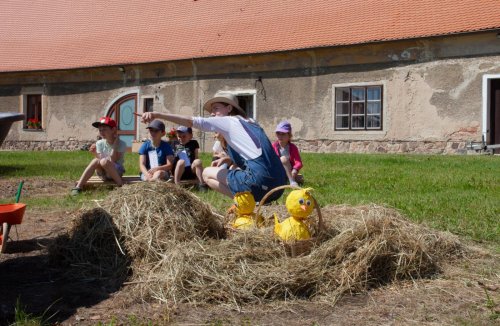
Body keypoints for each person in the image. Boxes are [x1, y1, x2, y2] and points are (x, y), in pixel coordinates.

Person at [140, 91, 287, 202]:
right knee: (223, 171)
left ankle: (245, 205)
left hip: (261, 182)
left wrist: (157, 114)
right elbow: (254, 153)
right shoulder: (250, 121)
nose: (212, 113)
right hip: (279, 183)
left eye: (216, 108)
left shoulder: (228, 121)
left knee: (207, 174)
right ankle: (249, 203)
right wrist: (228, 159)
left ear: (229, 108)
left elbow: (192, 122)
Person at [71, 117, 126, 195]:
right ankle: (78, 186)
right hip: (103, 174)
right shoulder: (99, 143)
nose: (101, 132)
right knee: (96, 160)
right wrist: (95, 154)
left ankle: (121, 185)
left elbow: (113, 160)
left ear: (113, 130)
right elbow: (100, 159)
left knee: (103, 161)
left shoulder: (121, 143)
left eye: (104, 129)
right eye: (100, 130)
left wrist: (115, 145)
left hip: (116, 173)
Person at [172, 125, 207, 191]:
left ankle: (201, 184)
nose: (181, 138)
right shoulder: (174, 143)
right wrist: (176, 153)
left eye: (184, 136)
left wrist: (198, 166)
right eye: (179, 136)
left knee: (198, 161)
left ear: (190, 136)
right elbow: (172, 159)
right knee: (181, 161)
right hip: (179, 170)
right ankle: (176, 185)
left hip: (191, 169)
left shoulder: (193, 143)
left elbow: (196, 156)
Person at [272, 121, 303, 187]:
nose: (280, 136)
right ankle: (291, 180)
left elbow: (299, 162)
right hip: (277, 170)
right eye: (278, 133)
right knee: (283, 159)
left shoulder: (293, 147)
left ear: (289, 135)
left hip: (289, 171)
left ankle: (290, 180)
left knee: (301, 178)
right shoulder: (273, 146)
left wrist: (295, 169)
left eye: (283, 134)